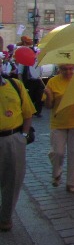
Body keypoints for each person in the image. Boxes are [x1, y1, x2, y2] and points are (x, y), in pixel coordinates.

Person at [44, 64, 74, 193]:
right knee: (57, 152)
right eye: (64, 69)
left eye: (70, 69)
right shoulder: (53, 82)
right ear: (59, 69)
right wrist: (48, 95)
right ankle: (57, 172)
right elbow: (48, 106)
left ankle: (72, 183)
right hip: (59, 122)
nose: (68, 72)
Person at [0, 73, 35, 232]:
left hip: (13, 138)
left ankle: (5, 218)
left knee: (13, 179)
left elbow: (28, 112)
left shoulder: (15, 85)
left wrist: (24, 136)